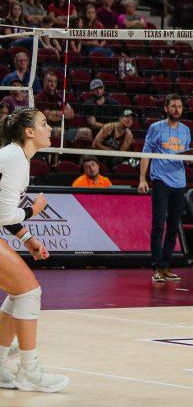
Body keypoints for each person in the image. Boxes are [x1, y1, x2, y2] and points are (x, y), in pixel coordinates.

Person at [0, 108, 70, 391]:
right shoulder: (16, 159)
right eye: (44, 124)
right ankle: (29, 372)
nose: (50, 128)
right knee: (29, 292)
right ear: (29, 132)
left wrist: (27, 238)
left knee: (20, 292)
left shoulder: (14, 156)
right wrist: (34, 210)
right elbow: (4, 216)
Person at [138, 94, 193, 284]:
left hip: (180, 182)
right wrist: (142, 178)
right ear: (166, 108)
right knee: (158, 224)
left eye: (179, 106)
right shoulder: (156, 128)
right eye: (173, 106)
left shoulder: (186, 130)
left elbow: (185, 154)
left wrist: (190, 158)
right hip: (160, 179)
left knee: (173, 226)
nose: (177, 109)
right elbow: (146, 153)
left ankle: (165, 265)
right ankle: (156, 267)